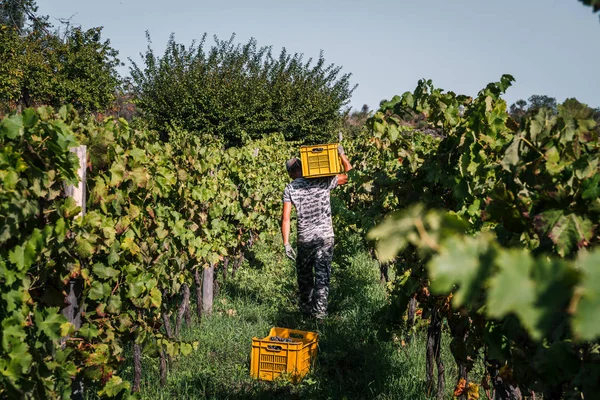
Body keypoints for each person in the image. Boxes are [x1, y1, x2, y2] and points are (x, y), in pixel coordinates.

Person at [281, 145, 353, 319]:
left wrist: (286, 243)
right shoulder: (323, 180)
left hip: (304, 240)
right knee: (322, 276)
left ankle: (306, 313)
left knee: (305, 278)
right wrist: (342, 155)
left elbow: (286, 218)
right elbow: (350, 175)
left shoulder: (290, 189)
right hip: (325, 237)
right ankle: (320, 315)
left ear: (291, 173)